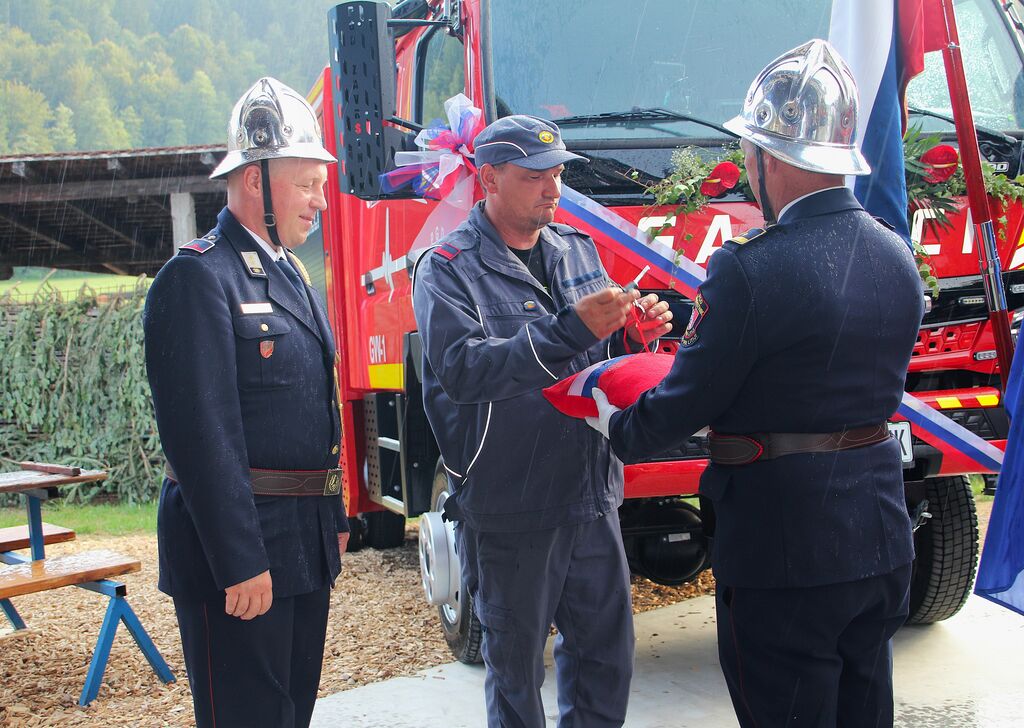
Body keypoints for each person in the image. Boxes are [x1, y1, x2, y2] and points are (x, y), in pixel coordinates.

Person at [588, 40, 924, 727]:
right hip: (880, 534)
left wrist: (615, 424)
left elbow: (688, 399)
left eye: (750, 153)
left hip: (784, 546)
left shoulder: (749, 269)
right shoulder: (896, 254)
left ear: (771, 158)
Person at [412, 115, 672, 727]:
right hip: (511, 506)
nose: (553, 188)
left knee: (607, 663)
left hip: (591, 496)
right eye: (534, 176)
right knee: (516, 680)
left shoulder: (576, 248)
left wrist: (633, 332)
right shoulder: (445, 268)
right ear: (488, 178)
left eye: (557, 174)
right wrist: (572, 329)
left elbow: (597, 358)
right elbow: (465, 371)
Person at [144, 77, 348, 728]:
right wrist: (239, 560)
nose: (320, 200)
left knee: (289, 714)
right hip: (241, 552)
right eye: (308, 183)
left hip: (300, 541)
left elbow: (316, 405)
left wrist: (333, 512)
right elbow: (203, 438)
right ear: (256, 179)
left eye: (321, 184)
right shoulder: (198, 276)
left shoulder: (290, 273)